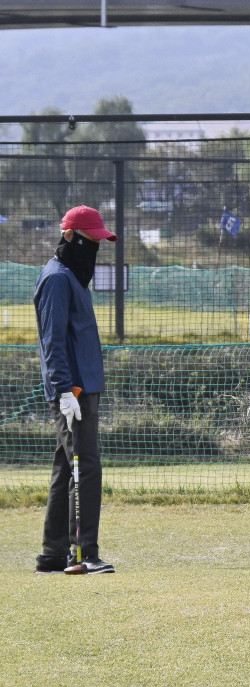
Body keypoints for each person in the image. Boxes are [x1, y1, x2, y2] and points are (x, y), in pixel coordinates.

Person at [33, 206, 118, 574]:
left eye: (98, 241)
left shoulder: (71, 277)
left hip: (83, 388)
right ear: (68, 236)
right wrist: (64, 391)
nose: (94, 248)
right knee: (86, 468)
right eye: (89, 240)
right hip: (74, 392)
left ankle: (52, 554)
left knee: (67, 468)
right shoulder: (56, 278)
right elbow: (52, 342)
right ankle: (83, 555)